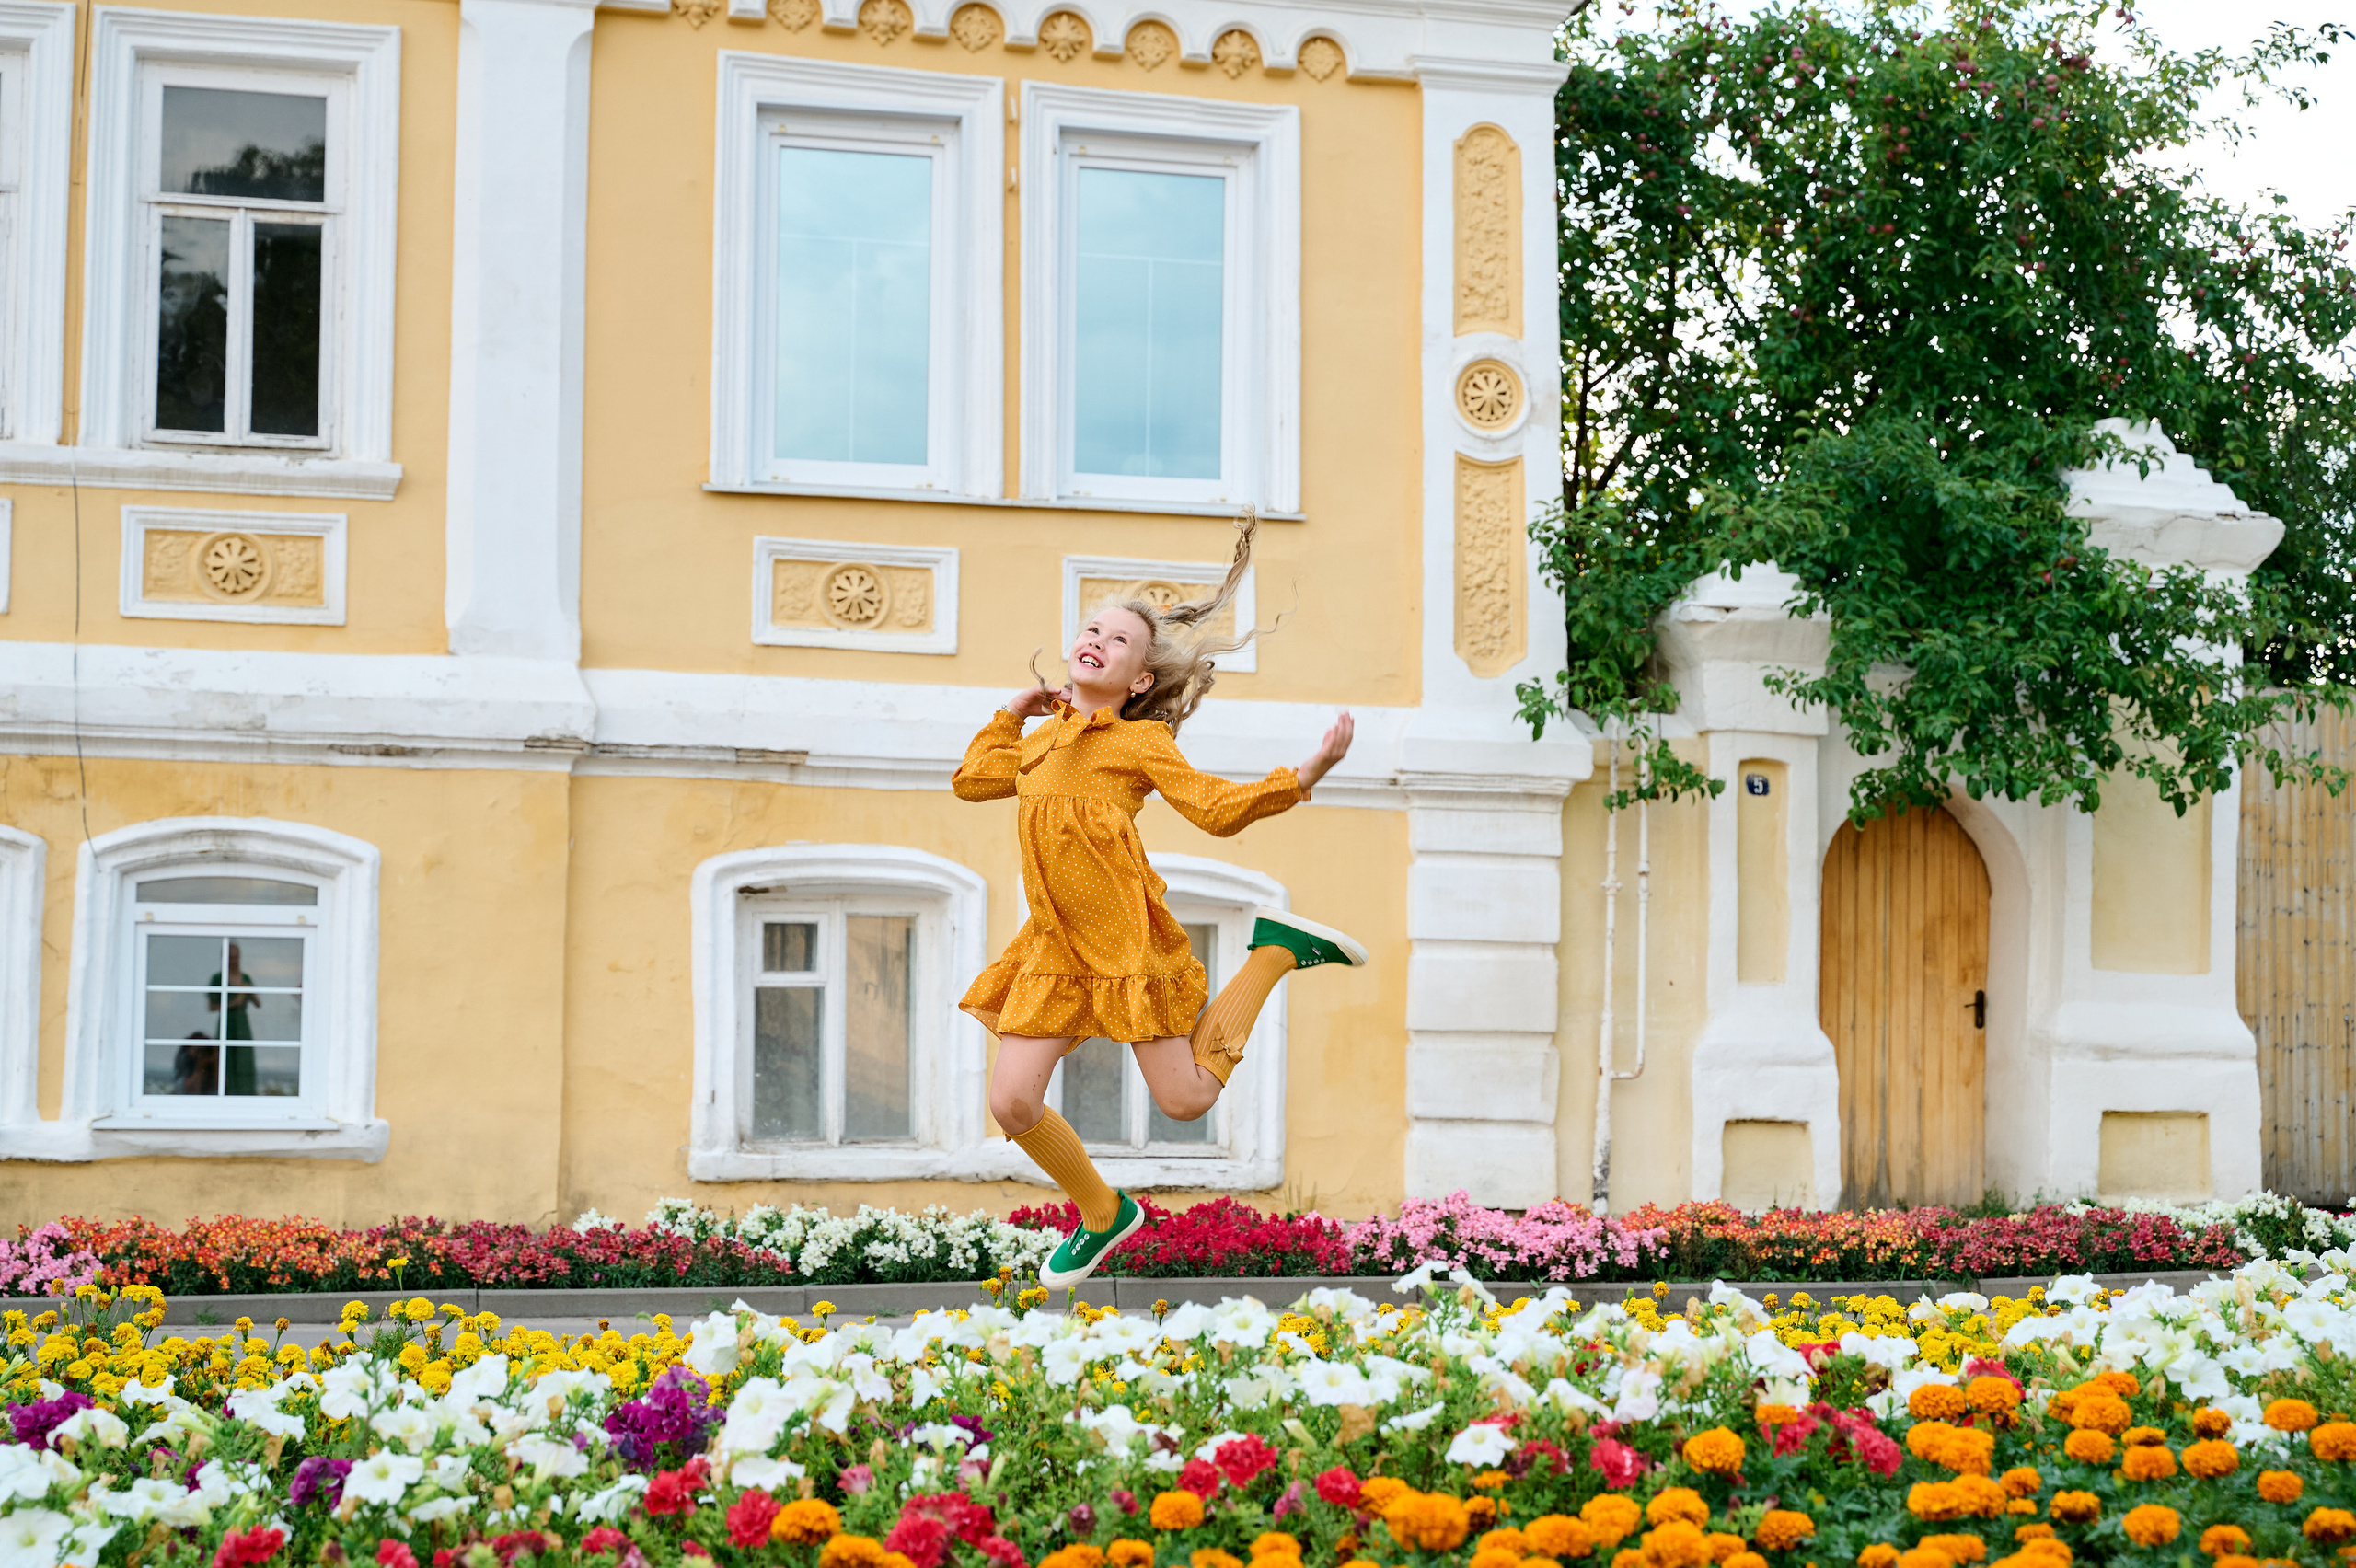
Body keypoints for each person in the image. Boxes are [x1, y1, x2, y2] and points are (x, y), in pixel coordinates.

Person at [952, 512, 1367, 1286]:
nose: (1097, 641)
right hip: (1052, 948)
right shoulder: (1039, 741)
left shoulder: (1141, 742)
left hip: (1122, 944)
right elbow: (973, 780)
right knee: (1011, 1103)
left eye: (1117, 641)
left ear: (1140, 679)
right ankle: (1105, 1213)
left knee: (1184, 1102)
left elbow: (1213, 808)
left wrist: (1303, 776)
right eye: (1091, 629)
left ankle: (1273, 953)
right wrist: (1011, 711)